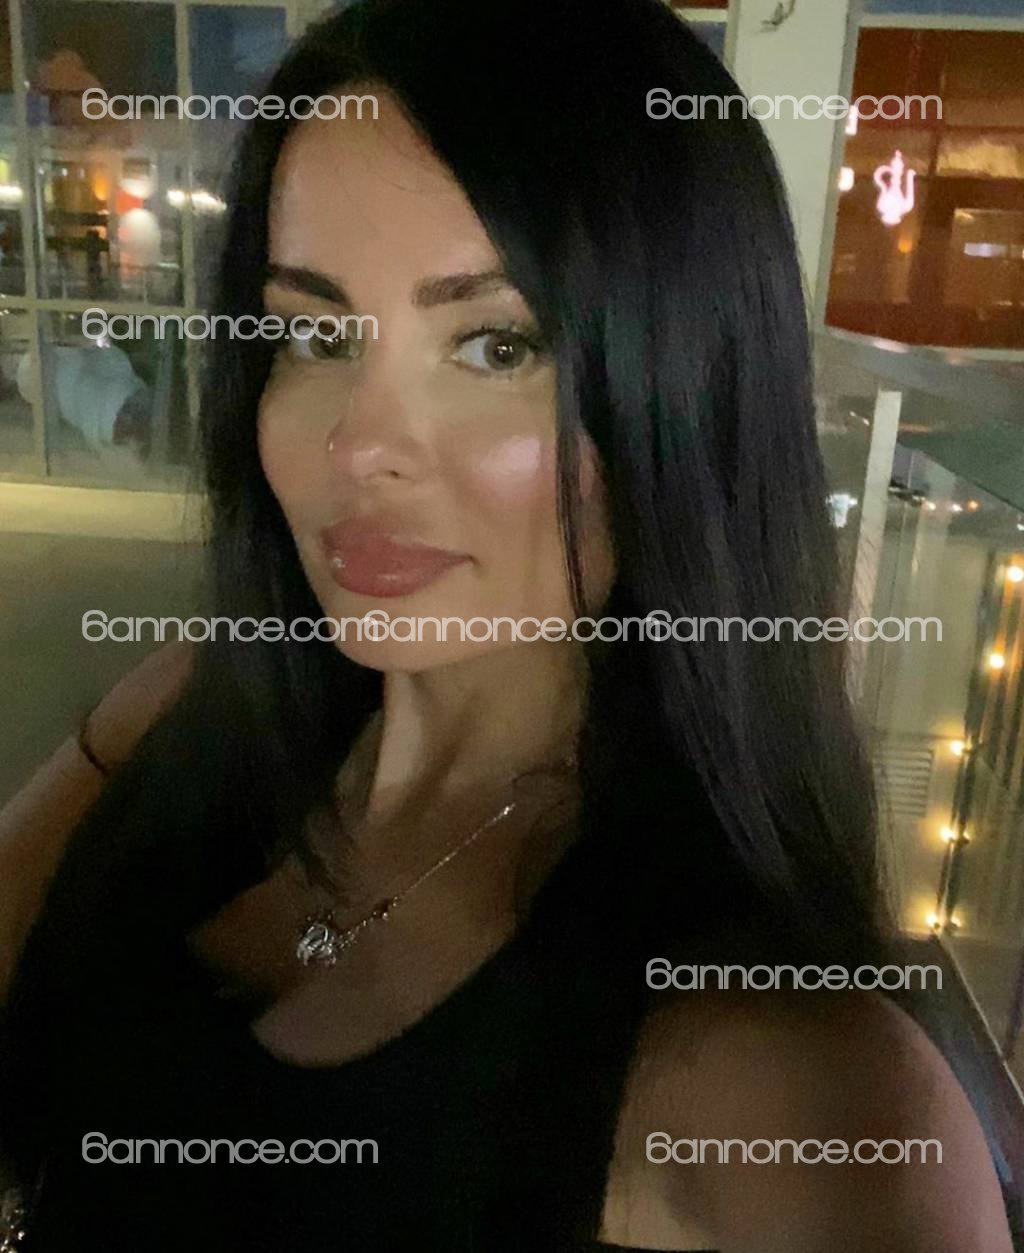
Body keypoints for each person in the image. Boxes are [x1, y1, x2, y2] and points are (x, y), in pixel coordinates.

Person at [0, 1, 1014, 1249]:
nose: (359, 447)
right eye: (315, 334)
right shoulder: (190, 706)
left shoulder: (795, 1093)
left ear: (679, 393)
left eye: (494, 345)